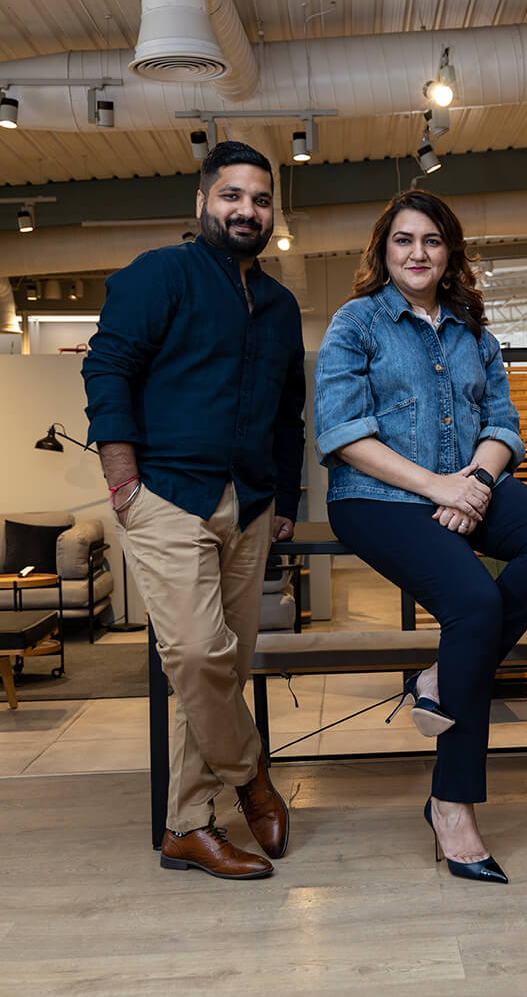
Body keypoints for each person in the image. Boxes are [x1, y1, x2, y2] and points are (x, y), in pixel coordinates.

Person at [314, 189, 527, 884]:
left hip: (467, 484)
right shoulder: (358, 323)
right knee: (475, 602)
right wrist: (440, 488)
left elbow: (505, 426)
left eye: (432, 241)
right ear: (384, 251)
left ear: (449, 253)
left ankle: (442, 677)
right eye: (404, 240)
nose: (418, 253)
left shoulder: (474, 330)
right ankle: (453, 802)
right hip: (376, 496)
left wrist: (477, 483)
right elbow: (342, 434)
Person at [82, 141, 305, 881]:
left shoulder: (278, 305)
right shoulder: (160, 275)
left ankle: (187, 826)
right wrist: (122, 482)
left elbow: (287, 415)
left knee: (216, 673)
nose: (248, 210)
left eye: (261, 199)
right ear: (202, 202)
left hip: (250, 507)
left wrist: (283, 503)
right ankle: (252, 778)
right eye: (233, 195)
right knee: (197, 656)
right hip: (168, 496)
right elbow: (107, 365)